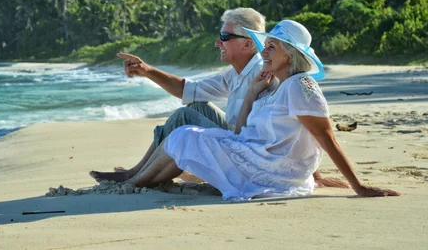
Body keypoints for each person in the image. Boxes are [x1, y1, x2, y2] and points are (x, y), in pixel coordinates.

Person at [98, 20, 401, 200]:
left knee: (187, 134)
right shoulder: (273, 84)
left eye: (272, 47)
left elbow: (324, 137)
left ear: (290, 55)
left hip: (271, 169)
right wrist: (251, 95)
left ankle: (132, 184)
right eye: (265, 45)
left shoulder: (300, 85)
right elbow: (245, 130)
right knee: (185, 133)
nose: (264, 51)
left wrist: (356, 186)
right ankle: (133, 181)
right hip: (252, 152)